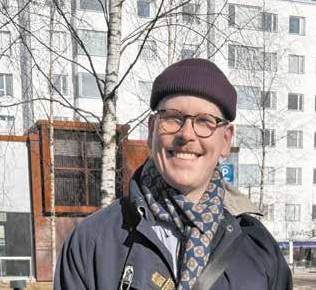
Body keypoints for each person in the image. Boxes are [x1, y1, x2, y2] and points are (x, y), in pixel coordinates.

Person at [55, 59, 292, 289]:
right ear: (152, 129)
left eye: (204, 121)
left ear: (226, 140)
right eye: (172, 117)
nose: (186, 134)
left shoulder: (261, 251)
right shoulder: (91, 243)